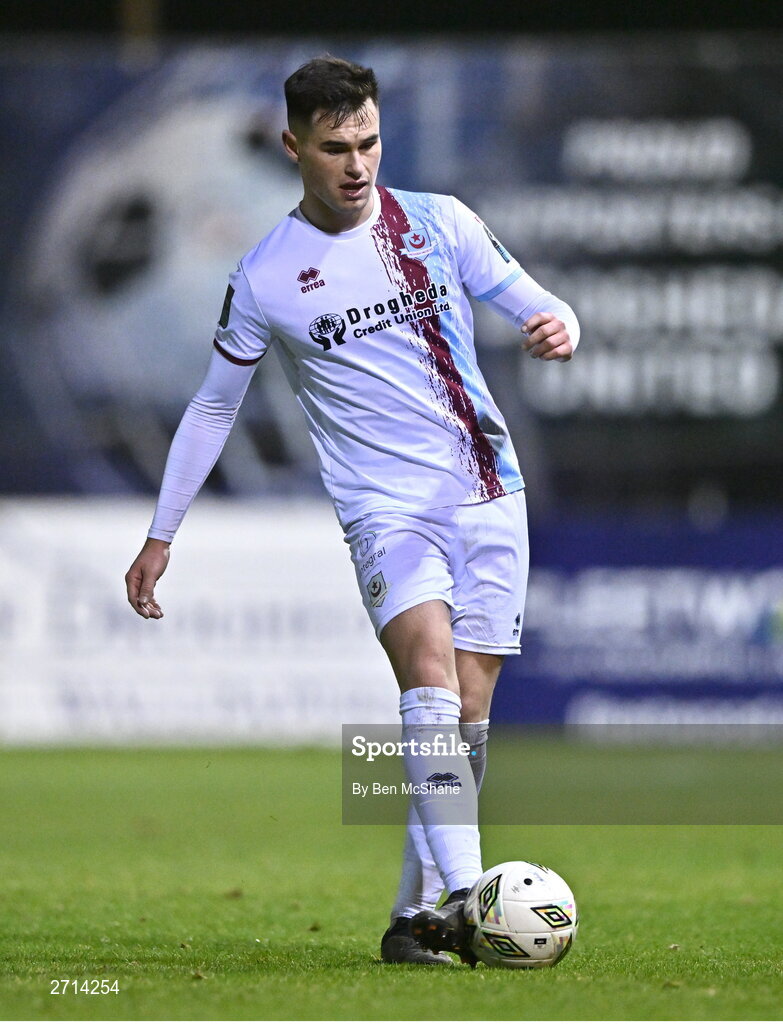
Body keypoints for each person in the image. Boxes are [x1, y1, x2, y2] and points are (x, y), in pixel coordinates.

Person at [125, 55, 579, 966]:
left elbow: (535, 301)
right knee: (427, 678)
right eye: (334, 147)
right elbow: (214, 406)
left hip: (487, 489)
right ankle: (467, 900)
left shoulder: (439, 223)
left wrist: (556, 324)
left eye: (368, 141)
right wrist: (161, 533)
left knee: (472, 714)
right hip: (384, 509)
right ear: (292, 145)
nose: (356, 163)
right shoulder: (264, 276)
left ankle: (414, 921)